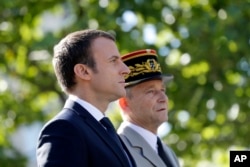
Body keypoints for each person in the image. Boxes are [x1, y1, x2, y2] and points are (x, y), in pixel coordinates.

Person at [36, 29, 136, 167]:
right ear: (83, 71)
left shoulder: (105, 129)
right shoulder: (63, 129)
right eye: (113, 61)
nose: (126, 70)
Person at [117, 49, 180, 167]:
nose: (163, 98)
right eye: (151, 91)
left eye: (162, 90)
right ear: (124, 102)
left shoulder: (168, 152)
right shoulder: (118, 150)